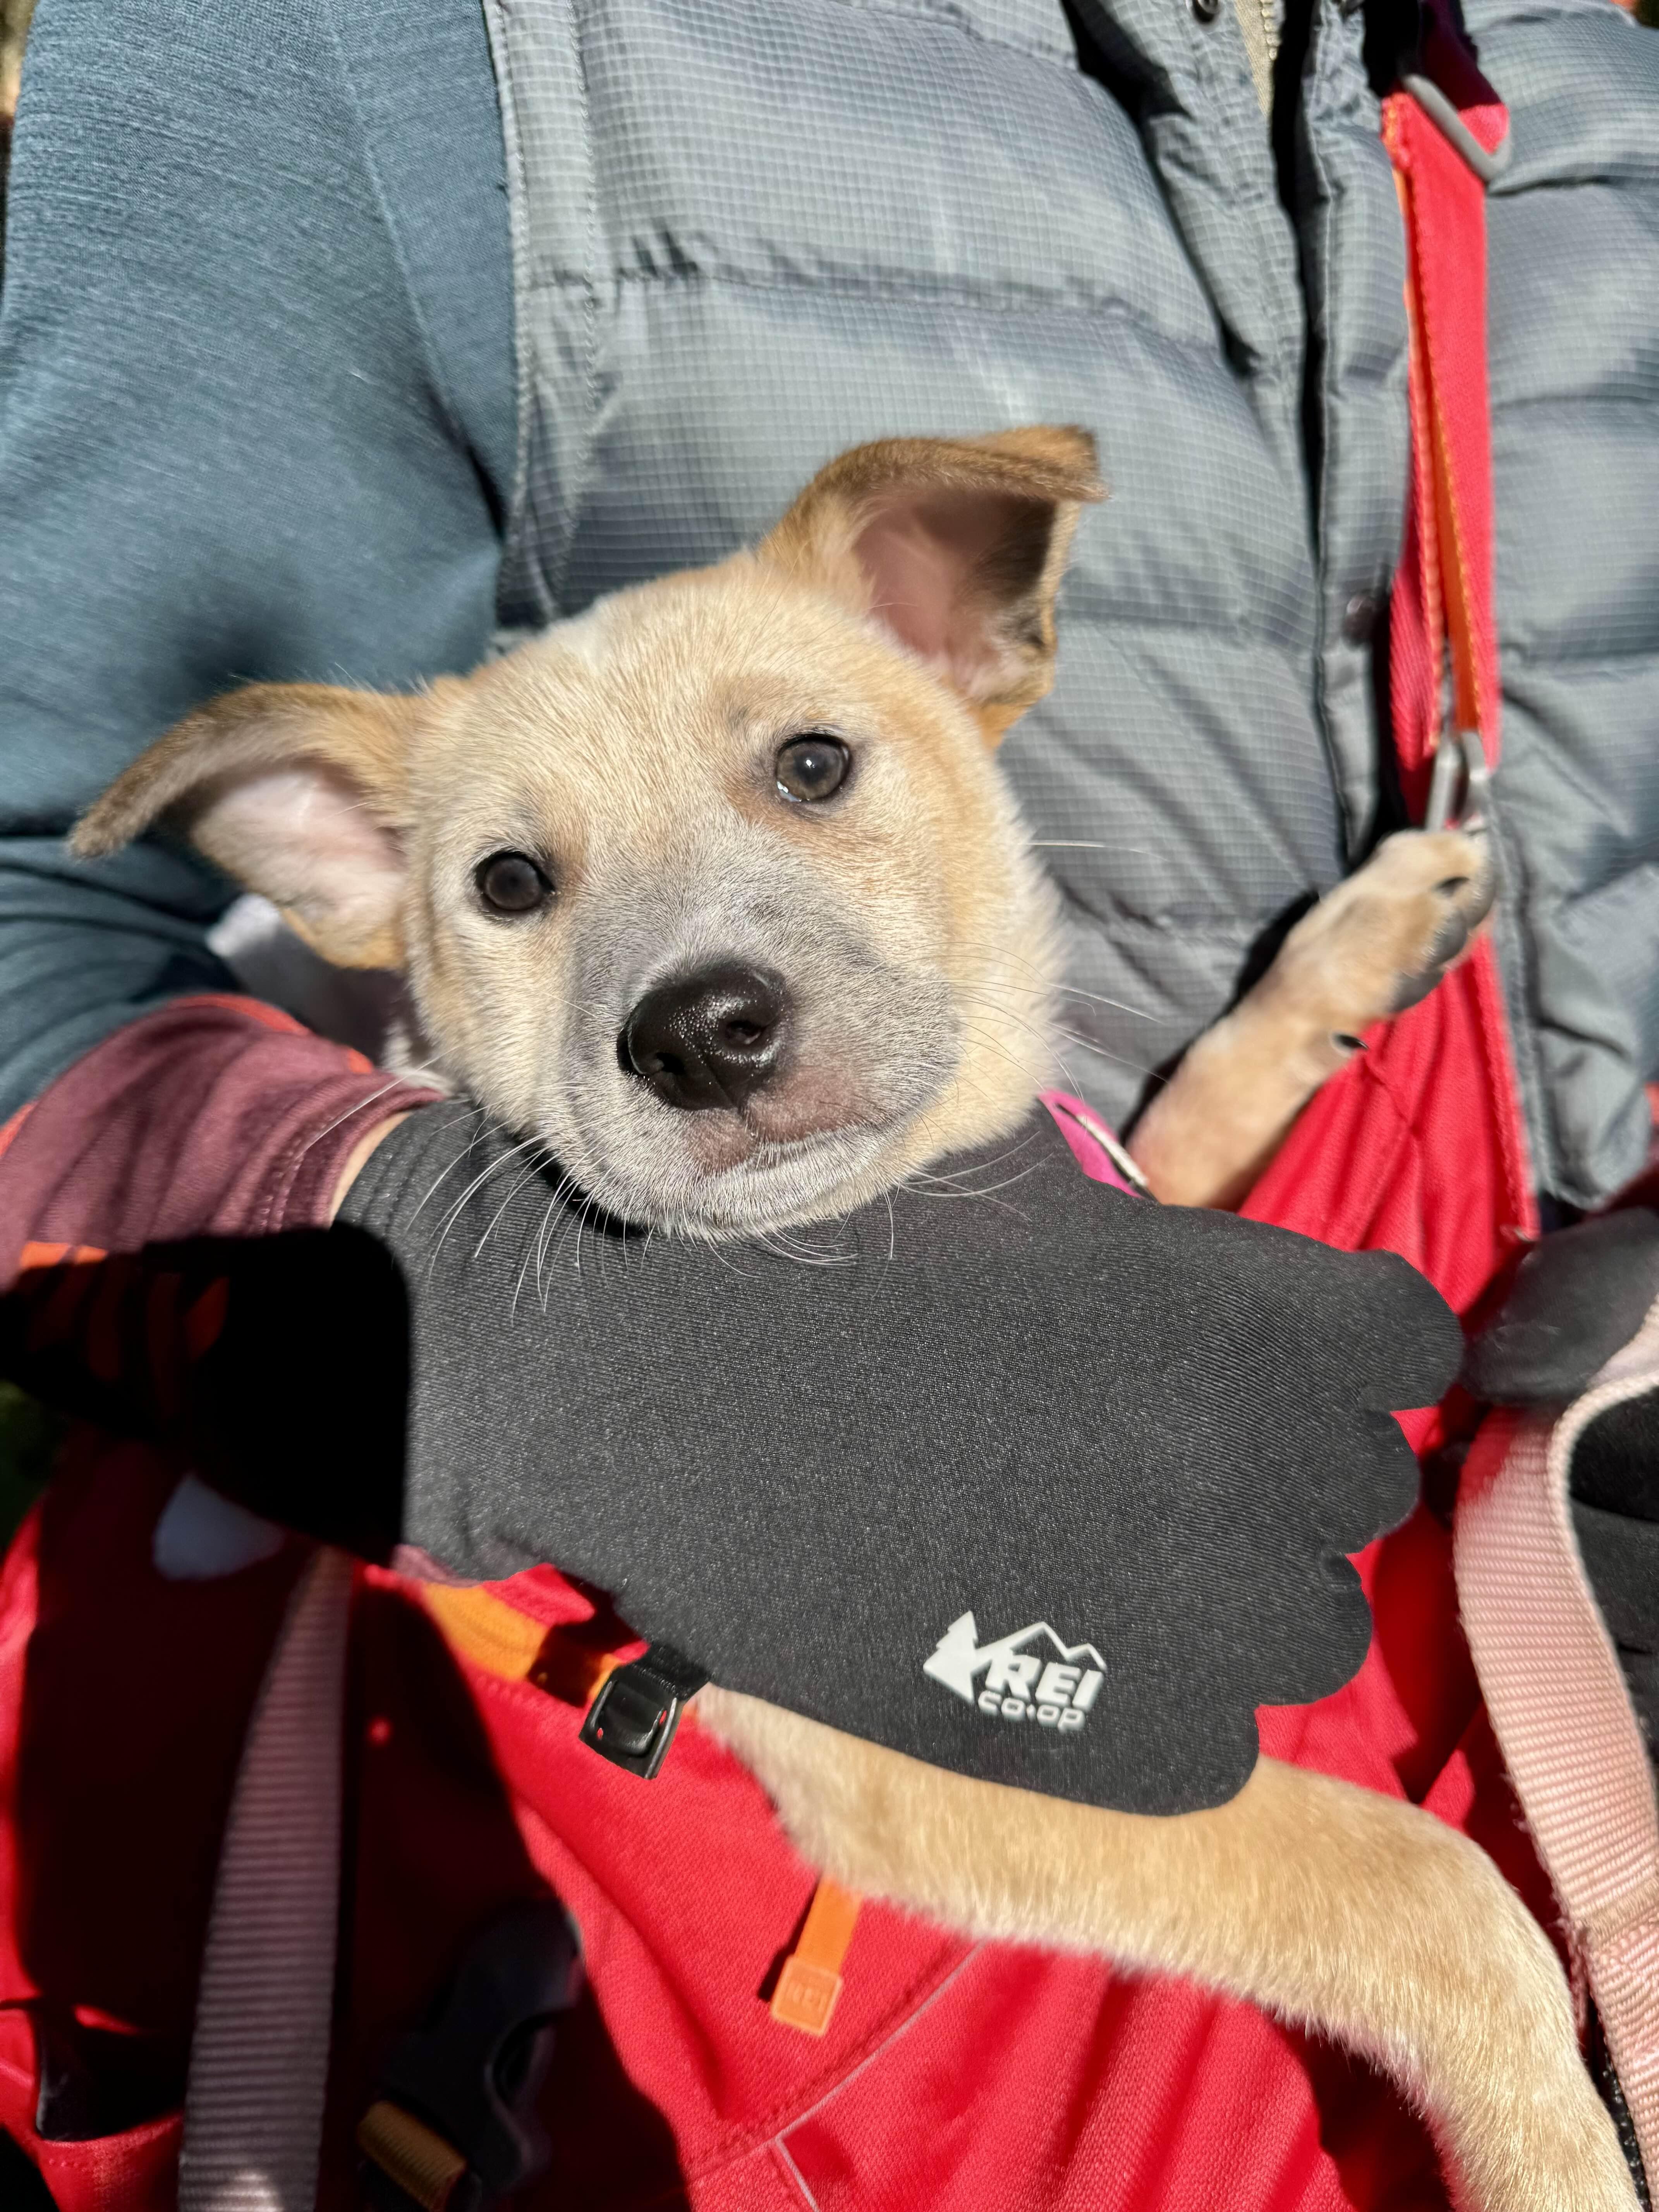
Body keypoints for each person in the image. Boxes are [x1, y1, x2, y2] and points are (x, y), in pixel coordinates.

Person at [0, 0, 1654, 2206]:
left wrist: (1299, 1026)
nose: (703, 994)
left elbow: (1082, 1231)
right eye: (516, 884)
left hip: (1524, 1536)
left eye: (804, 769)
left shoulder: (1573, 90)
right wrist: (513, 1333)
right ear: (362, 870)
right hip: (908, 2050)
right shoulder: (355, 53)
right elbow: (39, 909)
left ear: (959, 640)